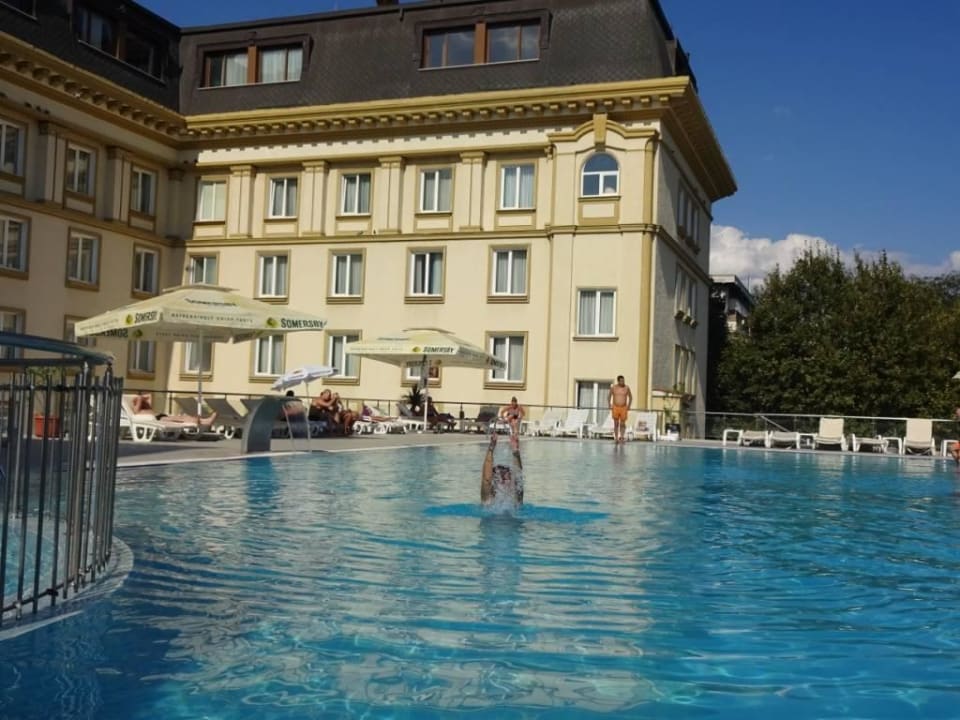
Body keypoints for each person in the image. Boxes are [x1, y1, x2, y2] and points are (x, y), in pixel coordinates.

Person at [481, 430, 523, 507]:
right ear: (493, 482)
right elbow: (486, 479)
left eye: (506, 479)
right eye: (500, 478)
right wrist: (491, 448)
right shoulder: (488, 500)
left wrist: (516, 452)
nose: (503, 482)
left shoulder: (515, 502)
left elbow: (518, 477)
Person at [132, 390, 217, 427]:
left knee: (181, 417)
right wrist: (138, 398)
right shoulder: (138, 411)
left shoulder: (146, 408)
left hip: (160, 416)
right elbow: (140, 398)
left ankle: (205, 421)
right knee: (180, 418)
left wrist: (142, 399)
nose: (144, 401)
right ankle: (201, 421)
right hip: (158, 419)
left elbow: (149, 396)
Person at [608, 375, 633, 444]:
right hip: (615, 407)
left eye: (623, 380)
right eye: (621, 381)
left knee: (622, 423)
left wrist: (629, 405)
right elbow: (609, 396)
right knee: (616, 423)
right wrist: (609, 404)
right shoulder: (614, 388)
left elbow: (630, 397)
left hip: (623, 407)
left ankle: (622, 437)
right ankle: (616, 438)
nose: (623, 382)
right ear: (618, 381)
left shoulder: (626, 388)